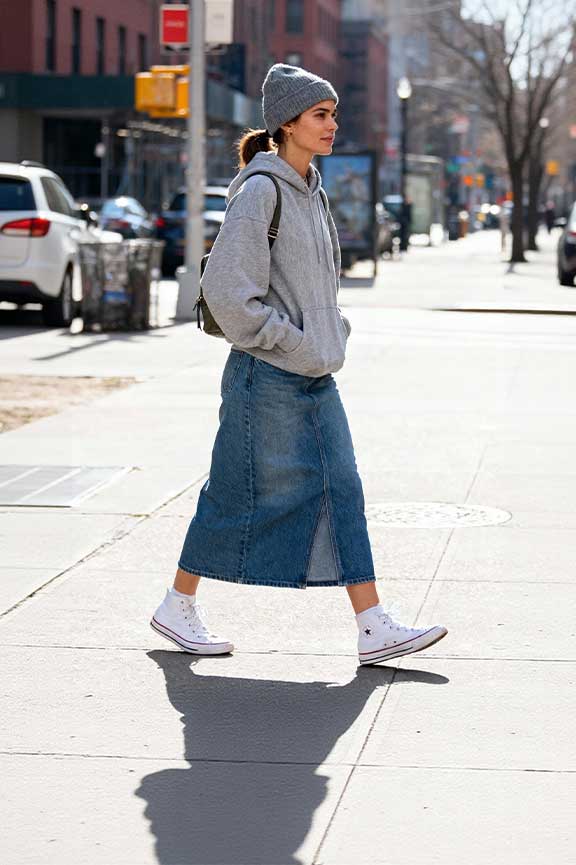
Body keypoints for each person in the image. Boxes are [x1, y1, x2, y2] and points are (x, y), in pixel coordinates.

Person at [150, 64, 448, 666]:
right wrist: (295, 341)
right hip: (266, 376)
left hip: (311, 374)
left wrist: (331, 332)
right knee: (234, 493)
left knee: (342, 487)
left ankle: (372, 624)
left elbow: (318, 285)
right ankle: (178, 605)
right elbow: (228, 295)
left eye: (333, 114)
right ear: (287, 123)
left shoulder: (312, 189)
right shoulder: (261, 191)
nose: (332, 125)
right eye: (320, 115)